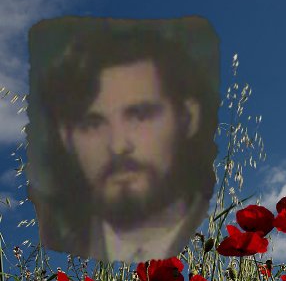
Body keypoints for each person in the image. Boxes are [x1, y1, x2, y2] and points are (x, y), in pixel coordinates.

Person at [26, 17, 219, 263]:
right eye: (92, 124)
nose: (118, 146)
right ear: (66, 137)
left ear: (188, 117)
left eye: (140, 115)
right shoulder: (48, 253)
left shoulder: (221, 235)